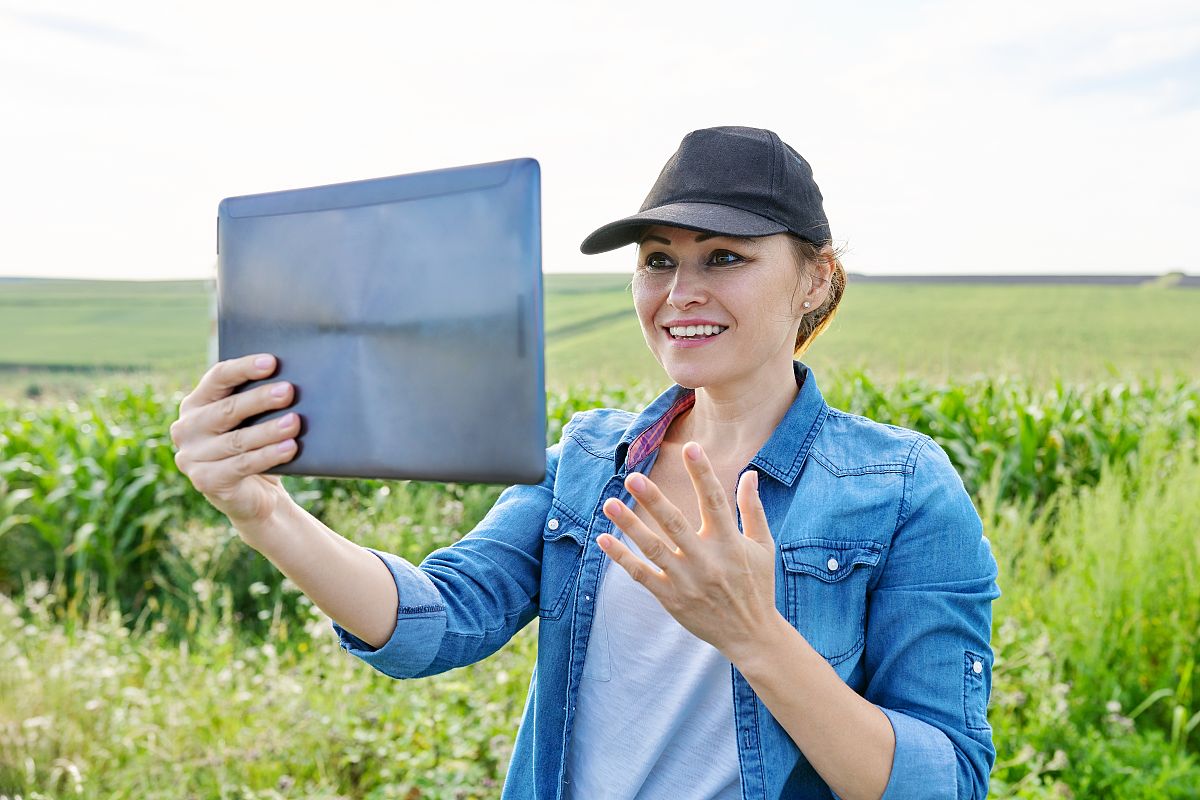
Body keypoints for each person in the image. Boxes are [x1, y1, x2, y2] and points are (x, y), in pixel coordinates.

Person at [171, 126, 999, 800]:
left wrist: (754, 636)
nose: (680, 293)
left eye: (725, 257)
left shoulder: (901, 491)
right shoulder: (589, 461)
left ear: (816, 279)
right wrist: (263, 512)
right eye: (658, 260)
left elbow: (944, 781)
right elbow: (437, 620)